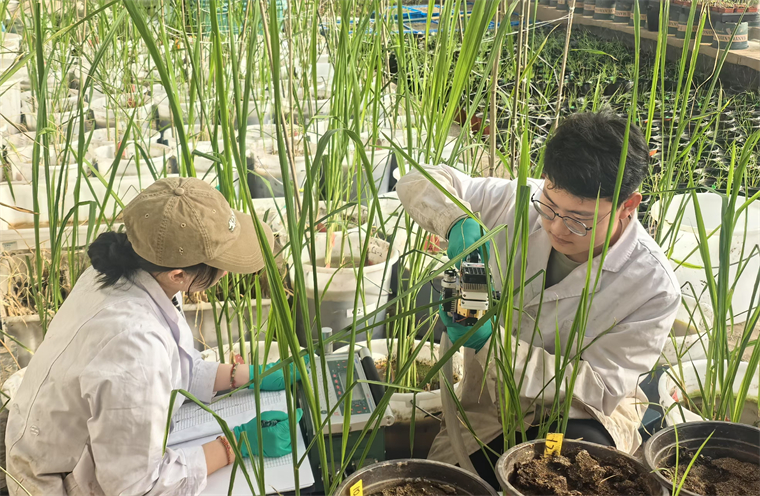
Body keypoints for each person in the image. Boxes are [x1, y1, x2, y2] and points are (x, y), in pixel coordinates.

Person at [396, 111, 680, 488]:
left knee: (570, 466)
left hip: (578, 415)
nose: (557, 228)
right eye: (550, 207)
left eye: (580, 220)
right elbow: (416, 180)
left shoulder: (652, 286)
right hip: (488, 402)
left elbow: (597, 388)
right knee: (460, 479)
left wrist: (490, 343)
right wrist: (456, 221)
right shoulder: (518, 201)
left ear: (628, 205)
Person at [5, 177, 303, 495]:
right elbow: (136, 486)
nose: (227, 271)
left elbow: (172, 368)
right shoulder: (133, 344)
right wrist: (236, 444)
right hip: (61, 481)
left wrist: (247, 375)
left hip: (82, 447)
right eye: (222, 264)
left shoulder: (128, 272)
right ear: (179, 274)